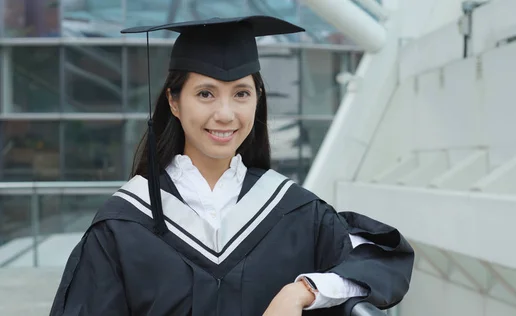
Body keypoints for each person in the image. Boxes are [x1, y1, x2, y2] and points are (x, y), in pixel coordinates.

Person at [49, 15, 414, 316]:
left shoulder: (295, 211)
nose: (225, 114)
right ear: (174, 103)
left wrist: (302, 291)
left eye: (241, 93)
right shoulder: (123, 224)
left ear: (258, 100)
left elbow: (378, 261)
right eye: (205, 94)